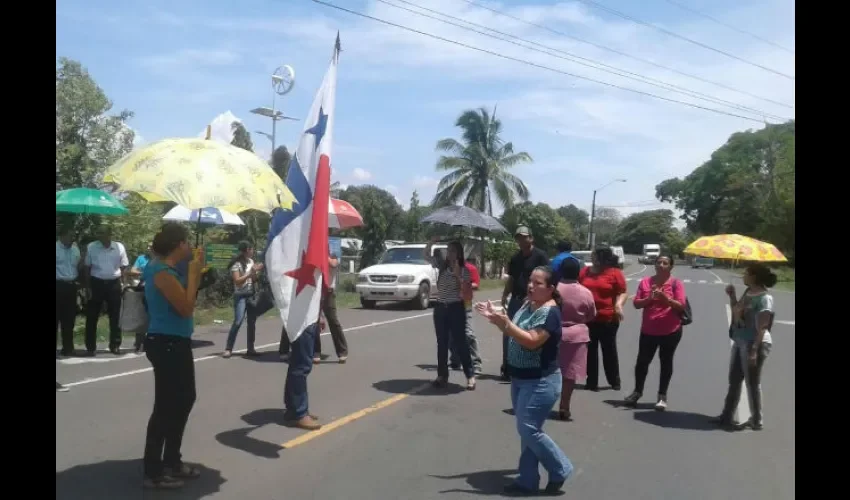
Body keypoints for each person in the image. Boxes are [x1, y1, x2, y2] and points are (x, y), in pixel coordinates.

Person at [477, 266, 573, 495]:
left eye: (538, 283)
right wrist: (497, 318)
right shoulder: (528, 304)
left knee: (528, 428)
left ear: (550, 289)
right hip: (520, 378)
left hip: (541, 380)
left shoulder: (551, 313)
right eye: (531, 280)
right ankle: (527, 480)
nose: (531, 286)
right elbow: (515, 327)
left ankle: (560, 468)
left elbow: (532, 341)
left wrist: (506, 326)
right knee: (528, 431)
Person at [141, 223, 204, 490]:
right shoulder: (161, 272)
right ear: (179, 245)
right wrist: (193, 275)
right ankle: (154, 471)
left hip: (175, 342)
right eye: (187, 243)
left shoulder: (168, 269)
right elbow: (185, 308)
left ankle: (172, 461)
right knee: (166, 406)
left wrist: (195, 271)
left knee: (184, 399)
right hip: (165, 343)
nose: (190, 247)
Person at [711, 264, 777, 430]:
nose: (743, 276)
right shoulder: (748, 292)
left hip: (755, 343)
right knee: (734, 380)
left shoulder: (764, 298)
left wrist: (754, 350)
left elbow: (763, 326)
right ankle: (727, 415)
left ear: (754, 276)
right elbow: (737, 311)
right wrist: (732, 296)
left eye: (746, 273)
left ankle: (756, 419)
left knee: (752, 382)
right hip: (740, 340)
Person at [625, 255, 687, 411]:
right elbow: (636, 304)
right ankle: (637, 392)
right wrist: (649, 299)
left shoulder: (675, 284)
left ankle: (662, 396)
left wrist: (666, 298)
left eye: (665, 263)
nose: (661, 265)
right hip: (648, 330)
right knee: (642, 363)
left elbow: (681, 306)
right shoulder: (646, 282)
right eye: (658, 262)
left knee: (666, 362)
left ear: (671, 267)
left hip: (670, 330)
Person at [425, 238, 476, 390]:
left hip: (456, 308)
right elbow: (426, 255)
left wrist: (458, 275)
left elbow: (466, 294)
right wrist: (431, 242)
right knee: (442, 343)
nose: (450, 253)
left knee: (461, 342)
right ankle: (442, 375)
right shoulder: (441, 266)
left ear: (459, 253)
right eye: (448, 250)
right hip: (441, 307)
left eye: (453, 250)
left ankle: (470, 375)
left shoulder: (464, 270)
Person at [500, 226, 549, 380]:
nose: (521, 240)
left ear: (531, 238)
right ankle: (508, 367)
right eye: (518, 237)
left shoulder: (540, 256)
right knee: (509, 332)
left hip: (534, 302)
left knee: (531, 334)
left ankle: (532, 367)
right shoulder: (515, 258)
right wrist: (505, 295)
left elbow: (547, 280)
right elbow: (512, 279)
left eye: (524, 237)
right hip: (516, 300)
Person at [578, 247, 627, 392]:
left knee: (609, 350)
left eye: (594, 256)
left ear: (602, 258)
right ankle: (591, 382)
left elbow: (623, 292)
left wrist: (618, 305)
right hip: (588, 318)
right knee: (590, 351)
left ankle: (614, 381)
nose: (592, 259)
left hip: (608, 318)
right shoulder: (584, 272)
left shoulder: (614, 273)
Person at [555, 258, 596, 421]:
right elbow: (592, 315)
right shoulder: (585, 292)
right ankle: (564, 406)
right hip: (576, 336)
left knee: (548, 370)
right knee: (569, 374)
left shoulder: (553, 289)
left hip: (552, 333)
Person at [83, 226, 129, 355]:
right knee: (92, 316)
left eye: (102, 233)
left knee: (115, 316)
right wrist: (88, 287)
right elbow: (87, 267)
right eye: (98, 233)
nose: (99, 235)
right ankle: (90, 347)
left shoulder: (119, 247)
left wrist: (123, 283)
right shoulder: (92, 247)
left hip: (114, 283)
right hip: (96, 282)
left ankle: (115, 344)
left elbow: (124, 266)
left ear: (109, 234)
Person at [284, 306, 327, 430]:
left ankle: (293, 410)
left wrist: (320, 315)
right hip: (303, 318)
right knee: (301, 366)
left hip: (307, 316)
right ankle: (299, 413)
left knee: (297, 364)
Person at [223, 241, 262, 358]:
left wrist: (255, 273)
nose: (253, 251)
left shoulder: (251, 262)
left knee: (251, 322)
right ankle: (228, 348)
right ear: (247, 250)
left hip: (251, 294)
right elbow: (238, 281)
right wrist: (250, 274)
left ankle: (251, 348)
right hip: (240, 295)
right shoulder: (237, 264)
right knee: (238, 321)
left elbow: (254, 279)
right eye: (251, 249)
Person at [449, 257, 483, 374]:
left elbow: (476, 284)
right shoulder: (448, 268)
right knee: (452, 335)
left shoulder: (470, 268)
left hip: (465, 304)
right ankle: (455, 361)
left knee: (469, 334)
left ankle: (476, 363)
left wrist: (464, 284)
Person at [56, 226, 82, 356]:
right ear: (62, 236)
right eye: (70, 236)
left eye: (73, 236)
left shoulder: (75, 249)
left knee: (69, 318)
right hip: (58, 285)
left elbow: (78, 266)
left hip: (71, 286)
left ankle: (68, 347)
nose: (72, 239)